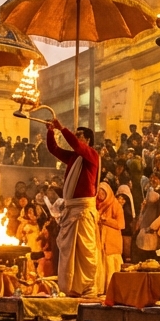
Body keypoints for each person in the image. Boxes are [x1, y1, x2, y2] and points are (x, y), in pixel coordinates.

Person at [46, 118, 100, 297]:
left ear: (88, 140)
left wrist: (62, 128)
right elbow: (53, 149)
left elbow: (75, 144)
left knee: (85, 251)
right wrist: (50, 132)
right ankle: (69, 288)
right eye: (75, 135)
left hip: (83, 210)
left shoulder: (91, 155)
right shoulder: (73, 157)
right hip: (71, 210)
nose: (76, 138)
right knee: (68, 252)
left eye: (79, 136)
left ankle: (86, 287)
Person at [95, 180, 125, 294]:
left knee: (111, 266)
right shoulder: (98, 206)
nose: (100, 195)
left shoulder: (116, 206)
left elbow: (121, 224)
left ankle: (112, 290)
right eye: (98, 193)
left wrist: (106, 220)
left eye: (102, 192)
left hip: (112, 244)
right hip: (101, 244)